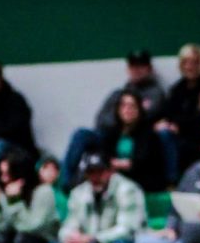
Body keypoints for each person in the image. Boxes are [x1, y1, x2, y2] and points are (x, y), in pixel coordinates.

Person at [61, 50, 166, 191]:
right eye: (133, 66)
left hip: (137, 148)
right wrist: (121, 124)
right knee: (81, 135)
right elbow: (101, 119)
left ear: (148, 68)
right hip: (111, 134)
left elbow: (150, 118)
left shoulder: (156, 93)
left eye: (140, 66)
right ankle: (67, 183)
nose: (136, 70)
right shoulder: (117, 93)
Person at [44, 152, 145, 243]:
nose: (95, 177)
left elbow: (128, 229)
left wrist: (92, 239)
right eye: (90, 172)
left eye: (100, 171)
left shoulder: (128, 189)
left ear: (110, 171)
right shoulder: (79, 193)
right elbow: (67, 226)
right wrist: (71, 239)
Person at [155, 44, 200, 183]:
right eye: (186, 62)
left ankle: (172, 180)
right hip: (178, 134)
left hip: (199, 137)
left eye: (194, 62)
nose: (189, 67)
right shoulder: (177, 88)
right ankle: (166, 182)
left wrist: (179, 126)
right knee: (162, 133)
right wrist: (164, 123)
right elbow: (169, 113)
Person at [100, 90, 166, 192]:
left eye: (132, 106)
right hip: (117, 176)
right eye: (124, 106)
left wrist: (117, 164)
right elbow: (104, 156)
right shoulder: (112, 133)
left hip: (141, 178)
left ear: (139, 110)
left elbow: (142, 163)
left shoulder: (148, 134)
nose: (127, 109)